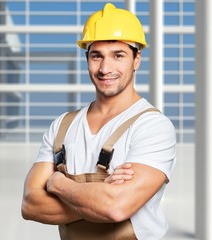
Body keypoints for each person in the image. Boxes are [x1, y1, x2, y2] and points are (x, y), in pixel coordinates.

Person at [21, 2, 176, 240]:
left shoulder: (153, 127)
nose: (105, 68)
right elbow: (31, 205)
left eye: (118, 55)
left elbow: (116, 207)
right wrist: (99, 197)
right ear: (87, 59)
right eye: (97, 56)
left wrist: (58, 185)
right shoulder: (62, 126)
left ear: (136, 60)